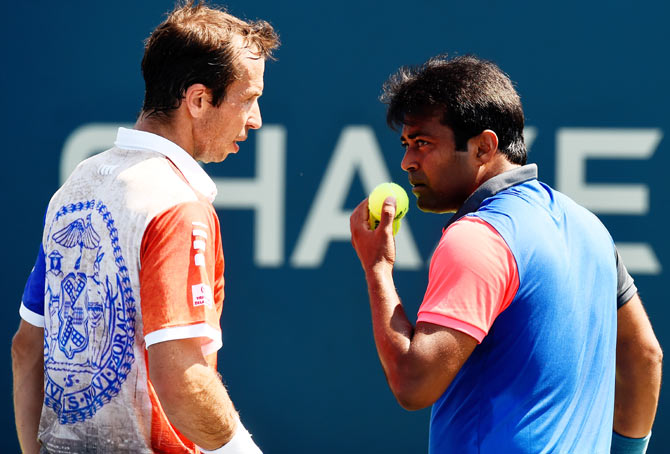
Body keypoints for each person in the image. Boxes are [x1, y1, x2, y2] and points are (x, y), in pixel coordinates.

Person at [349, 55, 662, 453]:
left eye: (423, 143)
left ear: (484, 147)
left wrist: (377, 268)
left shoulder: (478, 237)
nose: (407, 162)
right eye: (407, 144)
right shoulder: (591, 228)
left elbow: (414, 385)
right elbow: (645, 356)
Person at [11, 2, 279, 453]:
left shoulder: (75, 188)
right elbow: (182, 380)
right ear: (198, 100)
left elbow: (26, 349)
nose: (255, 120)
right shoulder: (176, 205)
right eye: (248, 99)